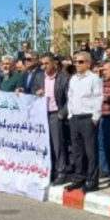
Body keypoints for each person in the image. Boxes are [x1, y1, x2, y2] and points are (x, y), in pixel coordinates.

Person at [65, 52, 103, 193]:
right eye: (76, 61)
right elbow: (70, 97)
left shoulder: (94, 78)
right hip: (75, 118)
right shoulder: (73, 79)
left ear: (88, 63)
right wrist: (70, 114)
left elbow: (98, 97)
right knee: (77, 151)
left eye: (81, 62)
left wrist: (95, 117)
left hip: (88, 118)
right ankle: (79, 178)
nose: (77, 64)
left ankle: (92, 181)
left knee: (90, 151)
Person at [34, 53, 71, 184]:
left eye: (47, 63)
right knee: (46, 145)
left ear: (54, 63)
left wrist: (62, 114)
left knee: (58, 145)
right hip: (43, 115)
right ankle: (49, 171)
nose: (44, 66)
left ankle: (61, 172)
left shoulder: (63, 78)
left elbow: (69, 98)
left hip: (56, 114)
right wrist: (36, 92)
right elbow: (33, 90)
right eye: (42, 64)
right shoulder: (39, 77)